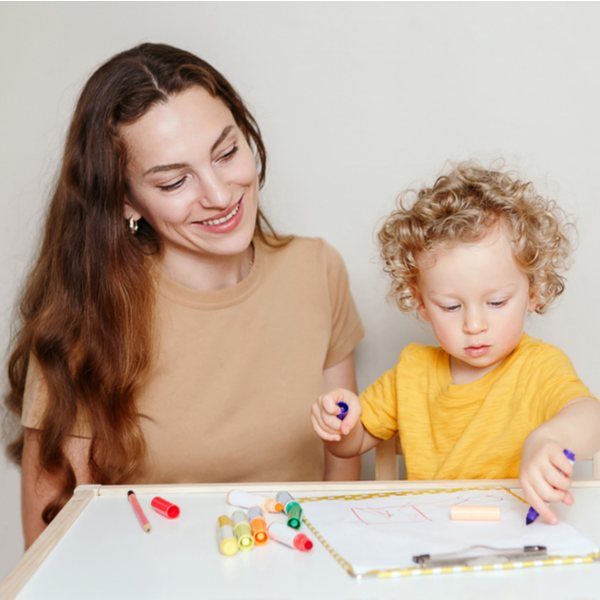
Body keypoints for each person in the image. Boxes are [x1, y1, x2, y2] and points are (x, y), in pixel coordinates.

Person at [4, 43, 364, 548]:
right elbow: (52, 549)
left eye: (227, 152)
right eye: (175, 181)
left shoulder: (317, 270)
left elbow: (340, 473)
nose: (219, 195)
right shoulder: (83, 321)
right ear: (126, 200)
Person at [311, 161, 600, 526]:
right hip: (429, 545)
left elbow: (591, 416)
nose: (474, 325)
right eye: (450, 306)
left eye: (496, 303)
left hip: (518, 543)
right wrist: (339, 425)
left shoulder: (538, 367)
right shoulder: (412, 372)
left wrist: (549, 438)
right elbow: (350, 445)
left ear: (535, 289)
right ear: (421, 302)